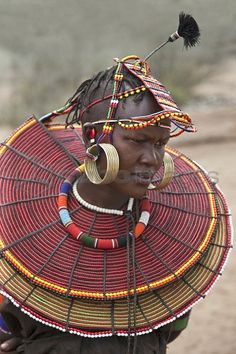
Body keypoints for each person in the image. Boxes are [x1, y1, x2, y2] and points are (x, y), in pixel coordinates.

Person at [0, 14, 232, 354]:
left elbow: (173, 323)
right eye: (138, 141)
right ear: (95, 136)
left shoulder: (181, 242)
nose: (152, 159)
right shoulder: (15, 229)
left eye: (160, 143)